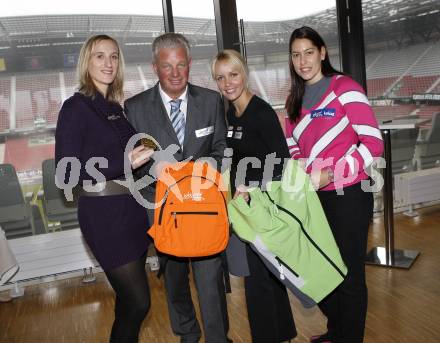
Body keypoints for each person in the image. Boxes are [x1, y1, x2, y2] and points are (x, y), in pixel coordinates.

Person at [124, 33, 230, 343]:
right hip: (164, 210)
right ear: (154, 67)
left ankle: (217, 338)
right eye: (167, 66)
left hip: (204, 207)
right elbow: (134, 160)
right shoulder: (135, 107)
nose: (175, 73)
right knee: (174, 279)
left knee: (210, 280)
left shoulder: (211, 101)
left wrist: (211, 163)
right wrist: (152, 167)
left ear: (189, 64)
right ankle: (186, 333)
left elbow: (222, 147)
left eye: (181, 65)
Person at [284, 26, 384, 343]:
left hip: (350, 194)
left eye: (309, 52)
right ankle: (336, 331)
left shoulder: (344, 87)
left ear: (323, 52)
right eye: (296, 55)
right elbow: (293, 145)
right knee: (326, 272)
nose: (303, 61)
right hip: (315, 197)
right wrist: (305, 169)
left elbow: (373, 143)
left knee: (350, 276)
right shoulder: (293, 100)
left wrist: (330, 174)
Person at [55, 34, 154, 343]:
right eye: (100, 56)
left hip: (131, 211)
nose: (108, 63)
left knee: (127, 305)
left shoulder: (114, 107)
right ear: (87, 62)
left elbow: (132, 159)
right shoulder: (75, 107)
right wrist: (123, 160)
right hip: (104, 216)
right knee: (139, 303)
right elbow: (66, 174)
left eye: (113, 56)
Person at [211, 49, 297, 343]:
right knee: (269, 276)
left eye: (233, 74)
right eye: (220, 78)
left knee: (257, 281)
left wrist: (254, 188)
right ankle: (282, 332)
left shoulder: (260, 112)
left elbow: (282, 163)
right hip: (247, 206)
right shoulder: (232, 113)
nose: (227, 83)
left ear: (244, 74)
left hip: (264, 205)